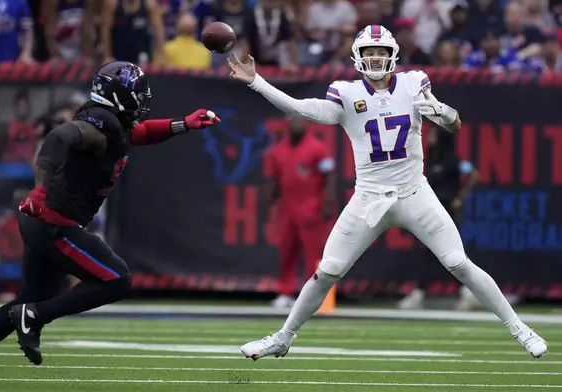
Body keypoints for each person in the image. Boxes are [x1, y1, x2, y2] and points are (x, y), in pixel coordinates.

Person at [228, 24, 547, 361]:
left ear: (392, 55)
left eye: (381, 52)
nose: (376, 58)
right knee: (328, 271)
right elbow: (300, 108)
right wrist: (256, 82)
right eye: (369, 52)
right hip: (368, 198)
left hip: (413, 192)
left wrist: (441, 112)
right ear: (358, 57)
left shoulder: (413, 83)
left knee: (458, 262)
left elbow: (454, 124)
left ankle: (519, 328)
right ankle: (283, 337)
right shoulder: (347, 93)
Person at [0, 61, 220, 387]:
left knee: (31, 298)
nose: (142, 100)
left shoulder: (112, 123)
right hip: (54, 223)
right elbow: (59, 137)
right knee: (117, 279)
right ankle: (35, 317)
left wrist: (183, 124)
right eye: (137, 94)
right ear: (118, 96)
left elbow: (138, 133)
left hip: (43, 223)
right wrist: (39, 191)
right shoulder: (102, 124)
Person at [397, 126, 480, 310]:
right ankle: (466, 291)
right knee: (440, 254)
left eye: (432, 134)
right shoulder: (431, 160)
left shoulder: (452, 161)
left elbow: (474, 174)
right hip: (433, 212)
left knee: (445, 254)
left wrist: (460, 197)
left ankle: (421, 293)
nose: (428, 138)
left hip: (447, 213)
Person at [265, 116, 335, 309]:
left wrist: (328, 203)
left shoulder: (318, 149)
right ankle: (285, 292)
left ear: (306, 124)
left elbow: (329, 177)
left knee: (313, 254)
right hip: (287, 210)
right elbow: (273, 181)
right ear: (287, 124)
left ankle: (312, 295)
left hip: (310, 209)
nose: (296, 124)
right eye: (293, 121)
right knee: (286, 252)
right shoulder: (277, 151)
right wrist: (269, 202)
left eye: (299, 121)